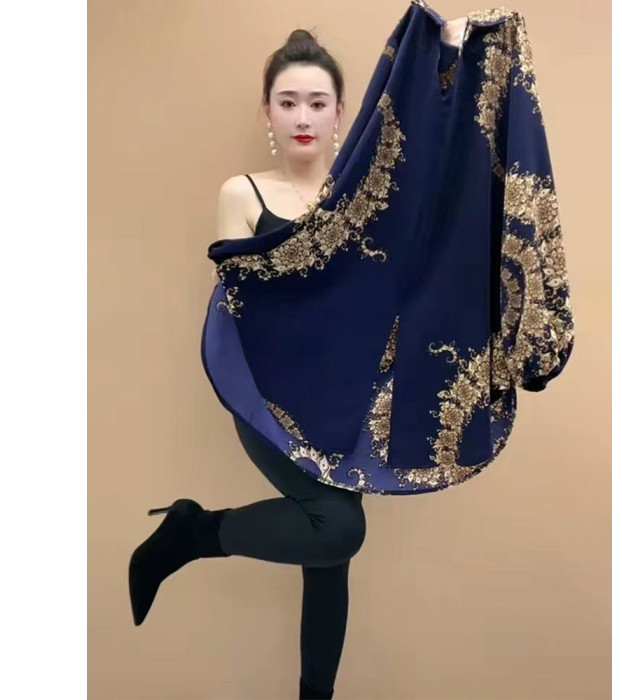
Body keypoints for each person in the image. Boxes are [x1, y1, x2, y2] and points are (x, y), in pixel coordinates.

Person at [129, 29, 364, 700]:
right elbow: (238, 311)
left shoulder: (365, 196)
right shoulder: (244, 193)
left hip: (344, 401)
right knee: (338, 527)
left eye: (317, 102)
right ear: (267, 112)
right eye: (287, 102)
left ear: (340, 112)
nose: (302, 116)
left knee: (328, 554)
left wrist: (454, 58)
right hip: (269, 398)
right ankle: (195, 532)